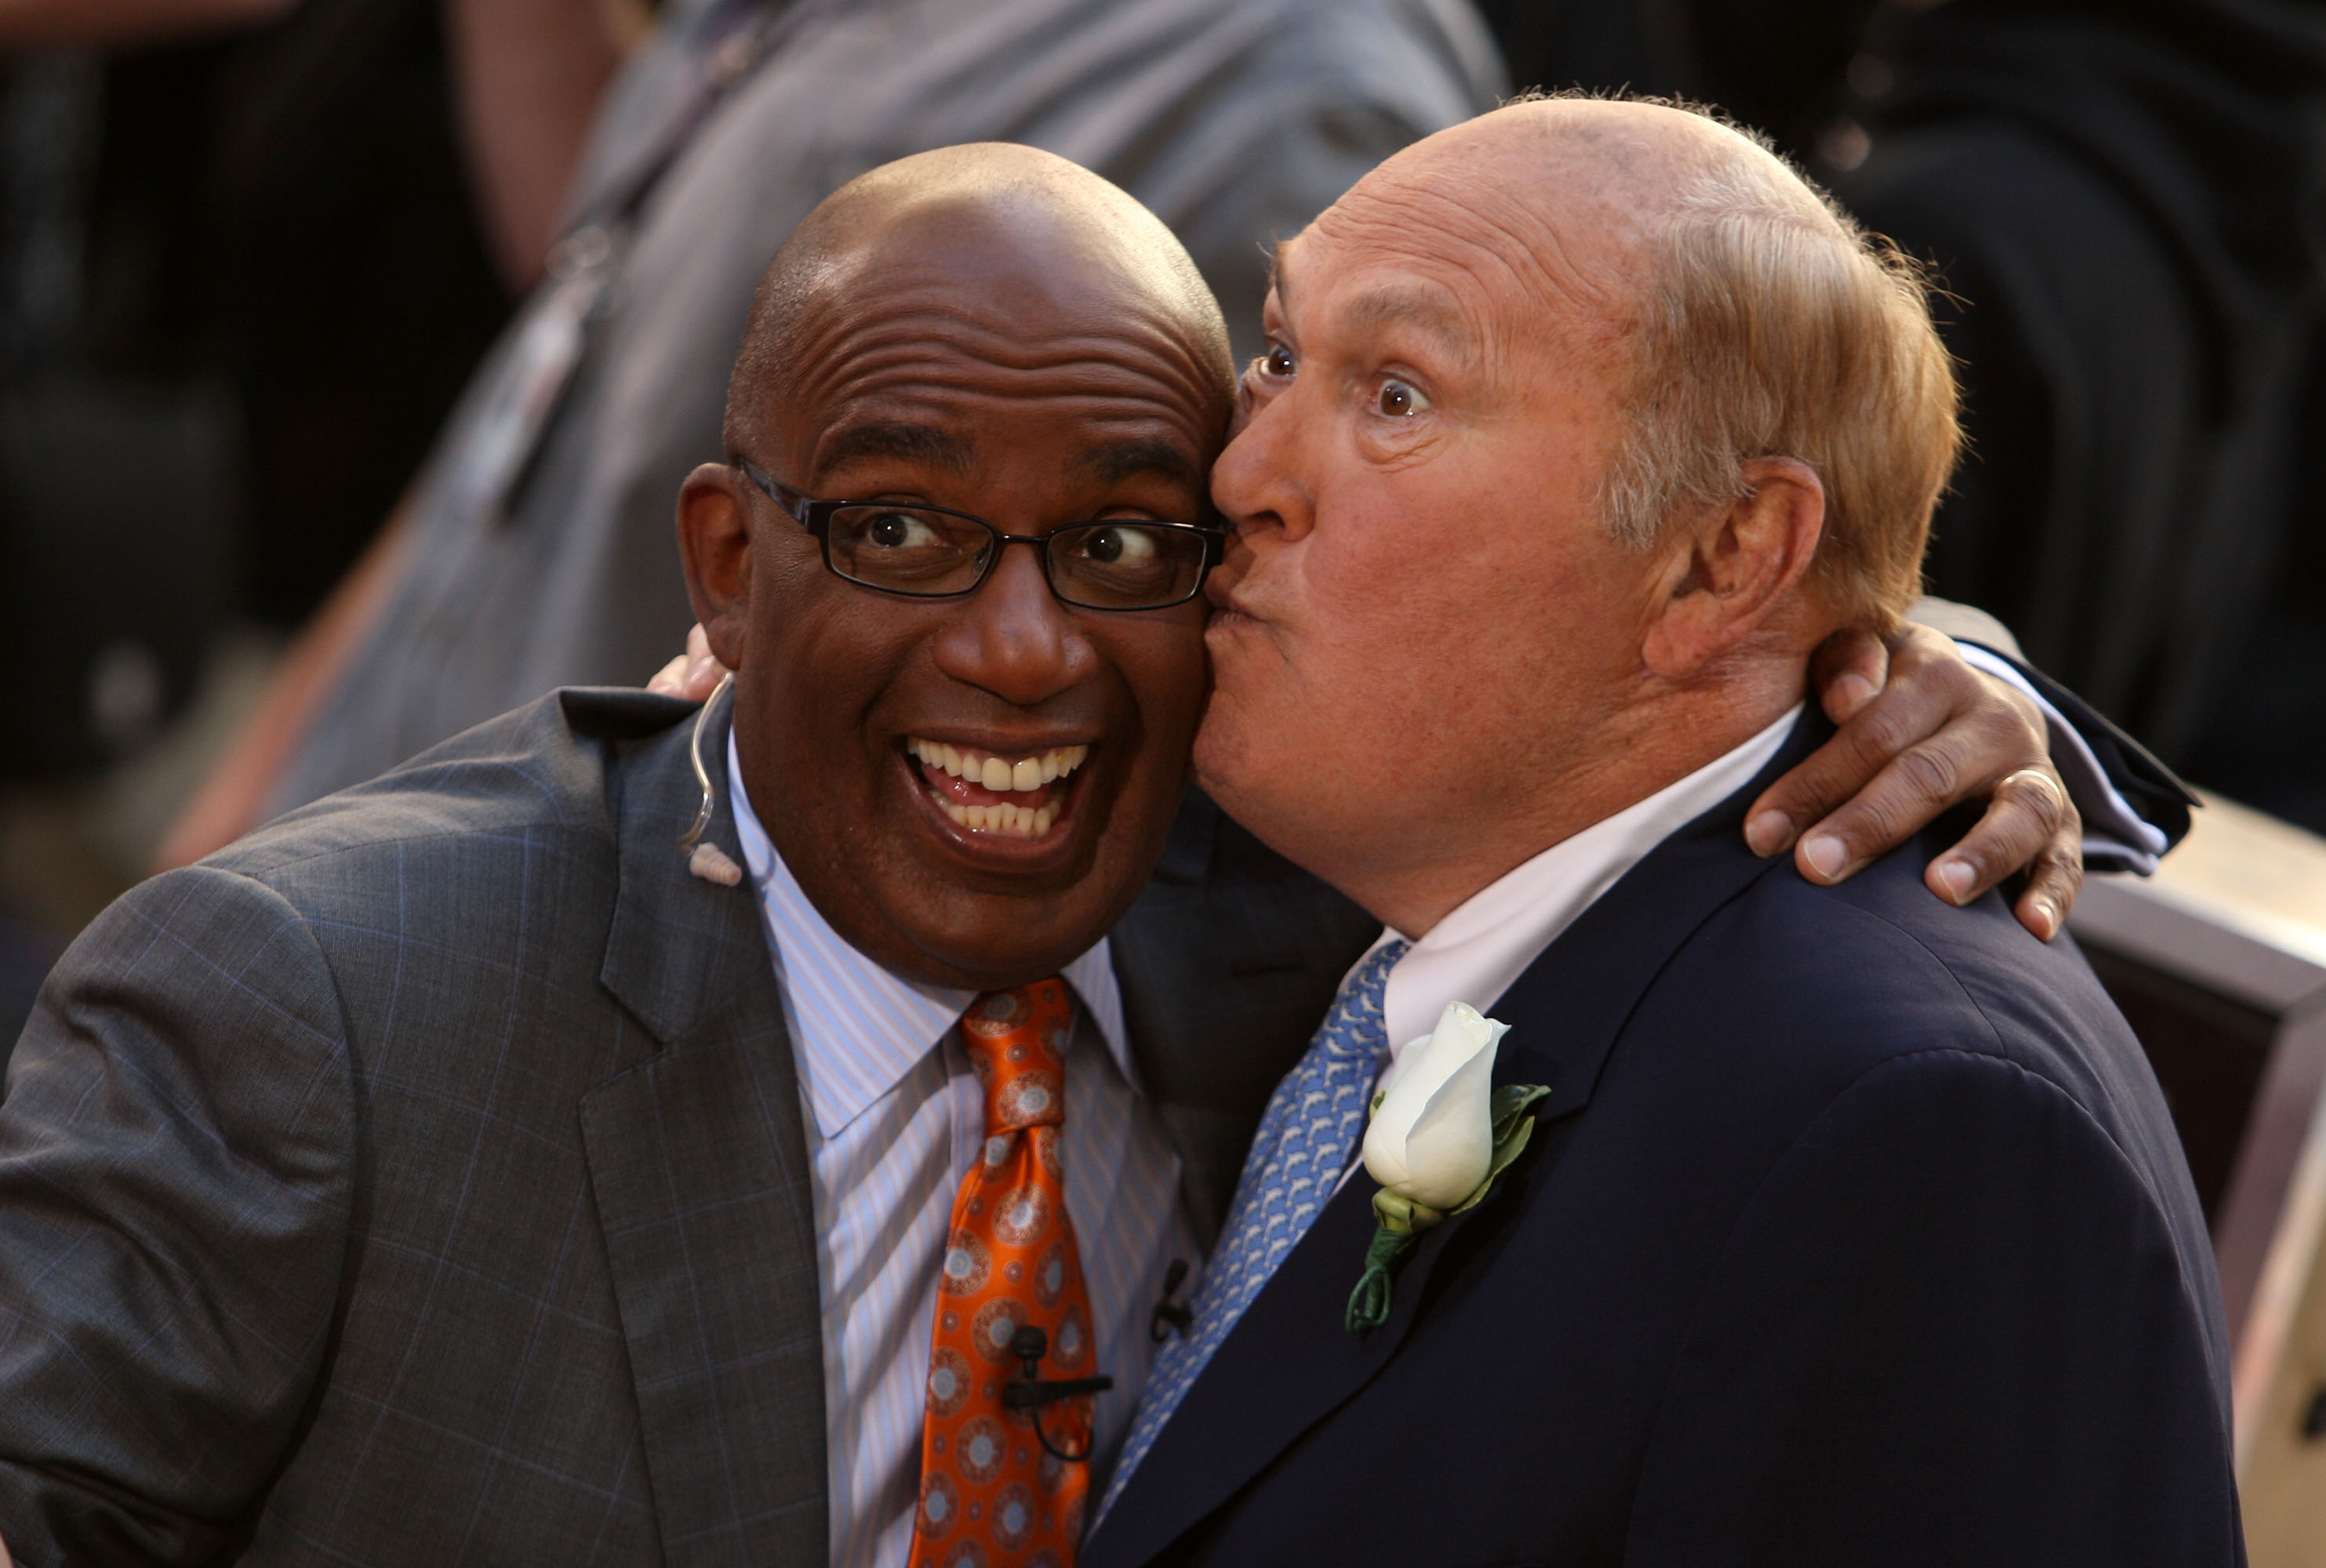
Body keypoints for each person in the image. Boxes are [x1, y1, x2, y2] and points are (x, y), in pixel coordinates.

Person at [0, 146, 2164, 1565]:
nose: (1026, 647)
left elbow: (1653, 736)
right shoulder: (330, 1003)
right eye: (901, 531)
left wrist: (1914, 664)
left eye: (1128, 539)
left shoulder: (1295, 919)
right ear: (734, 567)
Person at [1083, 99, 2236, 1566]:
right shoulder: (1418, 852)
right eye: (1282, 356)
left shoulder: (1914, 1131)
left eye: (1398, 397)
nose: (1241, 475)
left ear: (1723, 559)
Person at [155, 0, 1509, 868]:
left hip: (617, 1038)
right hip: (364, 884)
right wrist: (254, 821)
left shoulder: (1297, 82)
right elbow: (580, 395)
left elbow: (1266, 689)